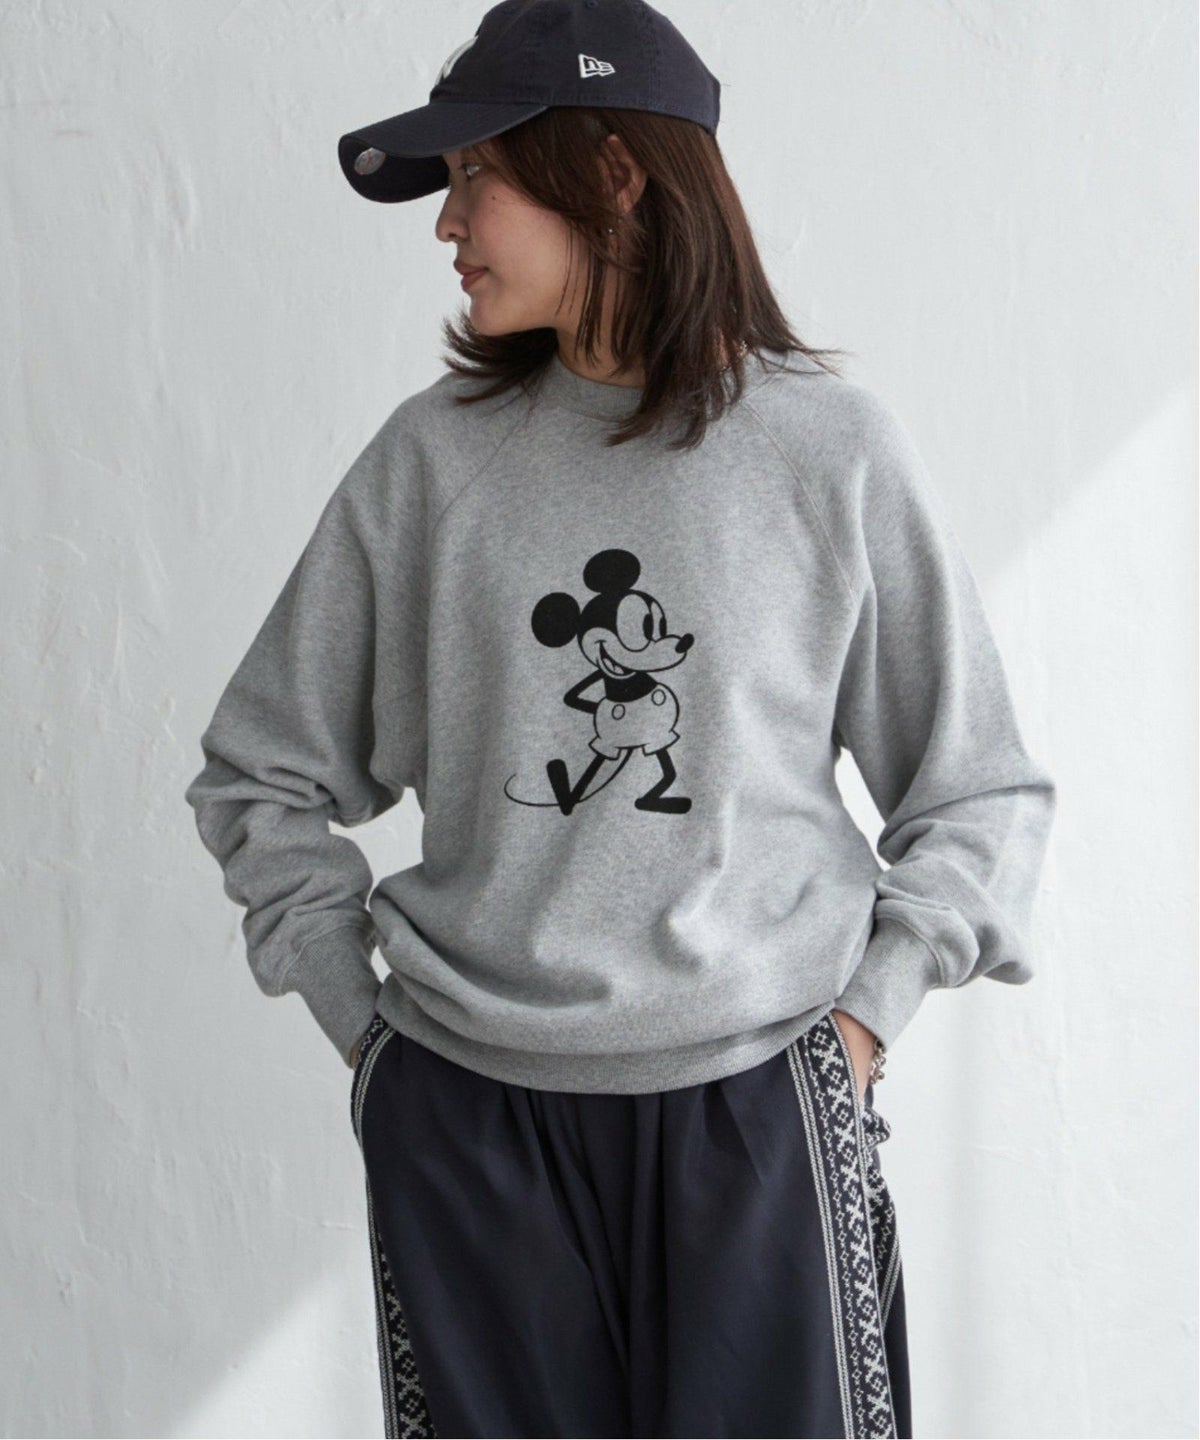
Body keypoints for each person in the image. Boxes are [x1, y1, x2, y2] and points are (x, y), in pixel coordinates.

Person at [184, 1, 1057, 1435]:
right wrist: (371, 1041)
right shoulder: (429, 466)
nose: (446, 222)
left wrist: (859, 1032)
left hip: (757, 1117)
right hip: (471, 1129)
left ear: (612, 173)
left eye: (477, 175)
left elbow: (978, 791)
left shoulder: (827, 452)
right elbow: (257, 775)